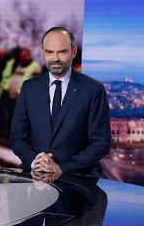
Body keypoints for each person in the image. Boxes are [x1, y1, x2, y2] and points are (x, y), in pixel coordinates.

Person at [9, 26, 111, 177]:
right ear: (42, 51)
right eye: (49, 52)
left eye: (62, 52)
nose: (55, 58)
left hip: (78, 173)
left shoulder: (94, 89)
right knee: (11, 195)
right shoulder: (29, 88)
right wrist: (34, 162)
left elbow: (101, 143)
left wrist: (61, 167)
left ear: (73, 52)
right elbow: (17, 137)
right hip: (38, 169)